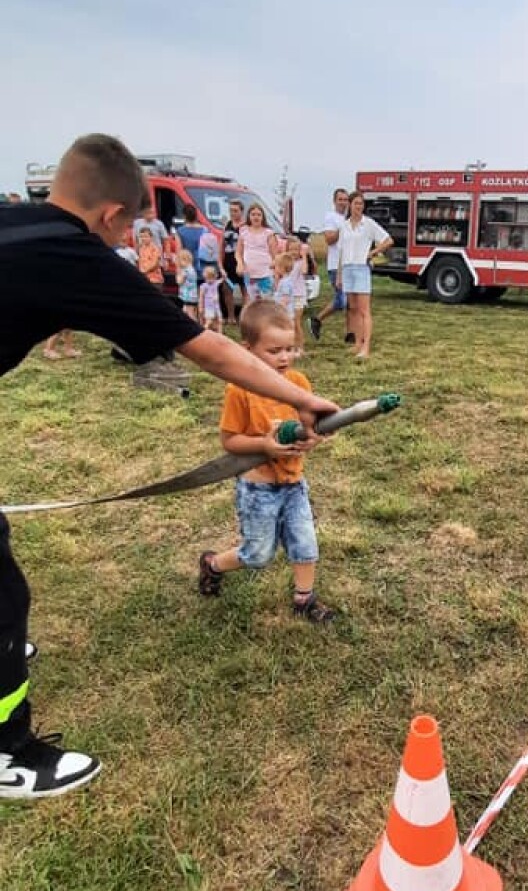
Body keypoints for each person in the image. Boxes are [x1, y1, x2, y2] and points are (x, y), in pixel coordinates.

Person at [0, 133, 339, 800]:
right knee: (3, 598)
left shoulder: (13, 223)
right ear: (114, 218)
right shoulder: (75, 254)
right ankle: (9, 753)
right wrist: (301, 397)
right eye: (130, 228)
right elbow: (207, 348)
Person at [198, 302, 334, 623]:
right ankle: (213, 564)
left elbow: (310, 430)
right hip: (258, 489)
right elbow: (230, 442)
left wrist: (312, 439)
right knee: (258, 555)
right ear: (248, 351)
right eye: (274, 351)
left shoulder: (299, 385)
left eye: (290, 348)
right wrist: (263, 444)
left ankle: (304, 600)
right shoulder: (239, 390)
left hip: (294, 483)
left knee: (305, 542)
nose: (285, 357)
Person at [335, 191, 393, 360]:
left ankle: (366, 346)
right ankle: (357, 343)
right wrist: (339, 275)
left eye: (361, 204)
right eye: (356, 203)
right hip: (347, 268)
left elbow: (388, 240)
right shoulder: (344, 226)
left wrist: (372, 253)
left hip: (361, 268)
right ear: (350, 205)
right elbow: (341, 251)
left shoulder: (368, 224)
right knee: (352, 308)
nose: (359, 207)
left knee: (363, 310)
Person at [309, 187, 351, 342]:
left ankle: (349, 333)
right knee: (341, 300)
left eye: (346, 200)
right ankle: (317, 320)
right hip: (335, 265)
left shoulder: (349, 217)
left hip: (348, 263)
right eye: (340, 199)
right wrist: (342, 229)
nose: (343, 203)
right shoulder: (331, 217)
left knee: (350, 302)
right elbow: (329, 239)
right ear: (334, 201)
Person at [237, 202, 279, 302]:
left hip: (265, 273)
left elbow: (275, 256)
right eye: (253, 214)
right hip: (249, 273)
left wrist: (276, 273)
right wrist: (240, 264)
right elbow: (238, 252)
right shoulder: (244, 231)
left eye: (259, 215)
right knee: (252, 302)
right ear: (249, 216)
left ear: (262, 217)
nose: (256, 217)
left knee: (267, 301)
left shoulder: (268, 233)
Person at [219, 199, 245, 324]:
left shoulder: (245, 226)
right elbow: (221, 246)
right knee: (227, 289)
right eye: (231, 211)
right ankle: (231, 316)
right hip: (228, 260)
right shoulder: (227, 225)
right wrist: (220, 263)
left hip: (242, 261)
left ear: (241, 211)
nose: (233, 213)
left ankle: (244, 317)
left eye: (235, 211)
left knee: (245, 290)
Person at [177, 203, 205, 277]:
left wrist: (178, 271)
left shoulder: (180, 231)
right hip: (202, 266)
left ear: (185, 216)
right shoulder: (205, 230)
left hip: (187, 266)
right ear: (196, 216)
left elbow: (179, 251)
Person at [198, 264, 226, 333]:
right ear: (205, 277)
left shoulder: (216, 283)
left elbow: (223, 279)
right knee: (209, 321)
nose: (210, 280)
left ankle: (220, 335)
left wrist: (223, 272)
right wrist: (201, 307)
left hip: (216, 307)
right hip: (208, 307)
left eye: (211, 278)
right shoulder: (204, 286)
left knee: (220, 321)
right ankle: (203, 332)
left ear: (215, 277)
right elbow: (201, 297)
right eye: (208, 278)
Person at [176, 248, 200, 319]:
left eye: (178, 260)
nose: (178, 263)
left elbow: (179, 281)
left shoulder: (185, 271)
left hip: (187, 296)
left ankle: (194, 327)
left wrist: (178, 273)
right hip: (192, 296)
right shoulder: (192, 269)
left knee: (190, 314)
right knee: (188, 312)